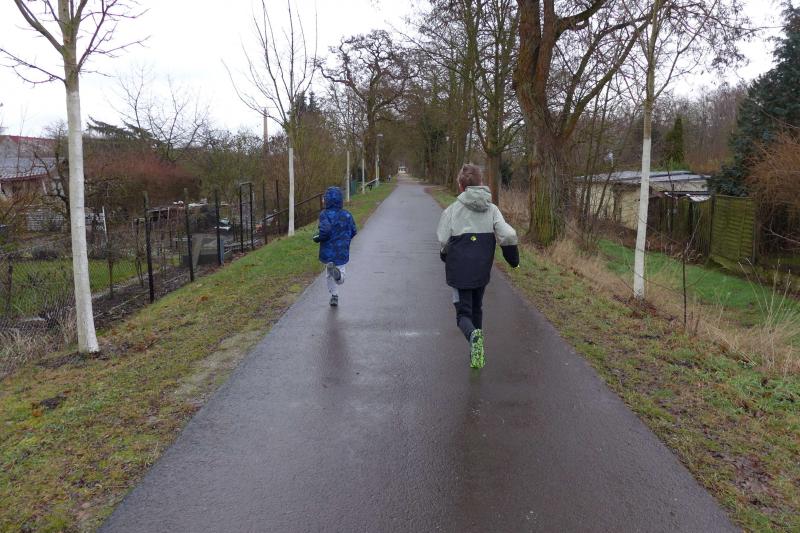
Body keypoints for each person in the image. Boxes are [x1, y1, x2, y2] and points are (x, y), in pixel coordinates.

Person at [436, 164, 519, 368]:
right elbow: (508, 234)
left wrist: (445, 255)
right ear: (481, 183)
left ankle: (473, 337)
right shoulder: (492, 209)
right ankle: (477, 354)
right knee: (477, 308)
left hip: (459, 271)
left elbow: (443, 240)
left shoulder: (452, 210)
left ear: (461, 185)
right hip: (481, 269)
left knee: (463, 314)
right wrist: (513, 259)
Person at [313, 186, 357, 307]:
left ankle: (334, 296)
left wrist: (317, 238)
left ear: (327, 200)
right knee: (341, 275)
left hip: (328, 250)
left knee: (328, 275)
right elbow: (353, 230)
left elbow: (325, 231)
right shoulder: (347, 215)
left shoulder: (324, 214)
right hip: (342, 249)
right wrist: (346, 239)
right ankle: (339, 276)